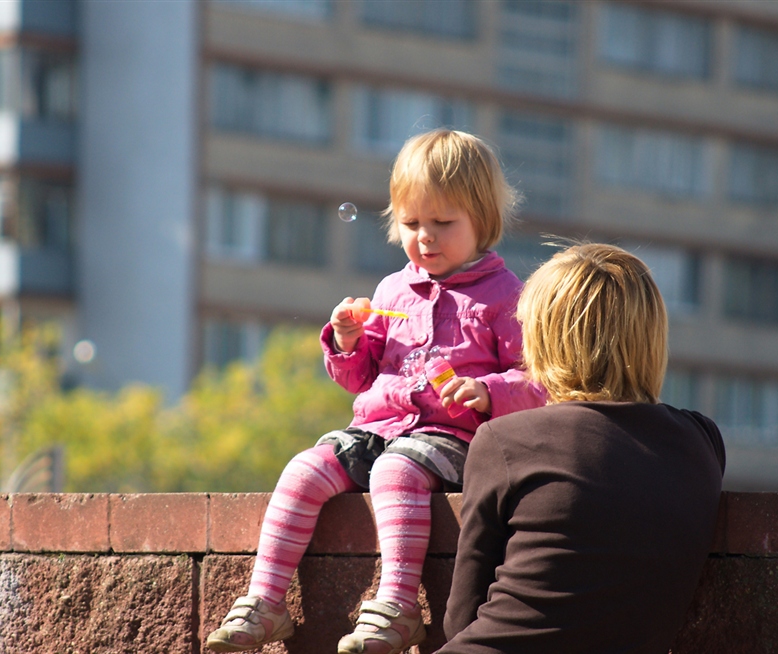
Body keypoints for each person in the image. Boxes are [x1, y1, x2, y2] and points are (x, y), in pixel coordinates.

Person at [206, 129, 546, 654]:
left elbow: (536, 380)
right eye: (411, 223)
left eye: (442, 222)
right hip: (376, 428)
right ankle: (266, 600)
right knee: (305, 466)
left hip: (449, 438)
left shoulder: (506, 297)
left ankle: (398, 606)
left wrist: (485, 389)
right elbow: (360, 378)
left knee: (395, 470)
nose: (424, 237)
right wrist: (346, 340)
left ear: (484, 221)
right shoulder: (391, 291)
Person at [436, 243, 726, 654]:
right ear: (651, 337)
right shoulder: (704, 439)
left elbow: (461, 620)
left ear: (541, 339)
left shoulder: (505, 440)